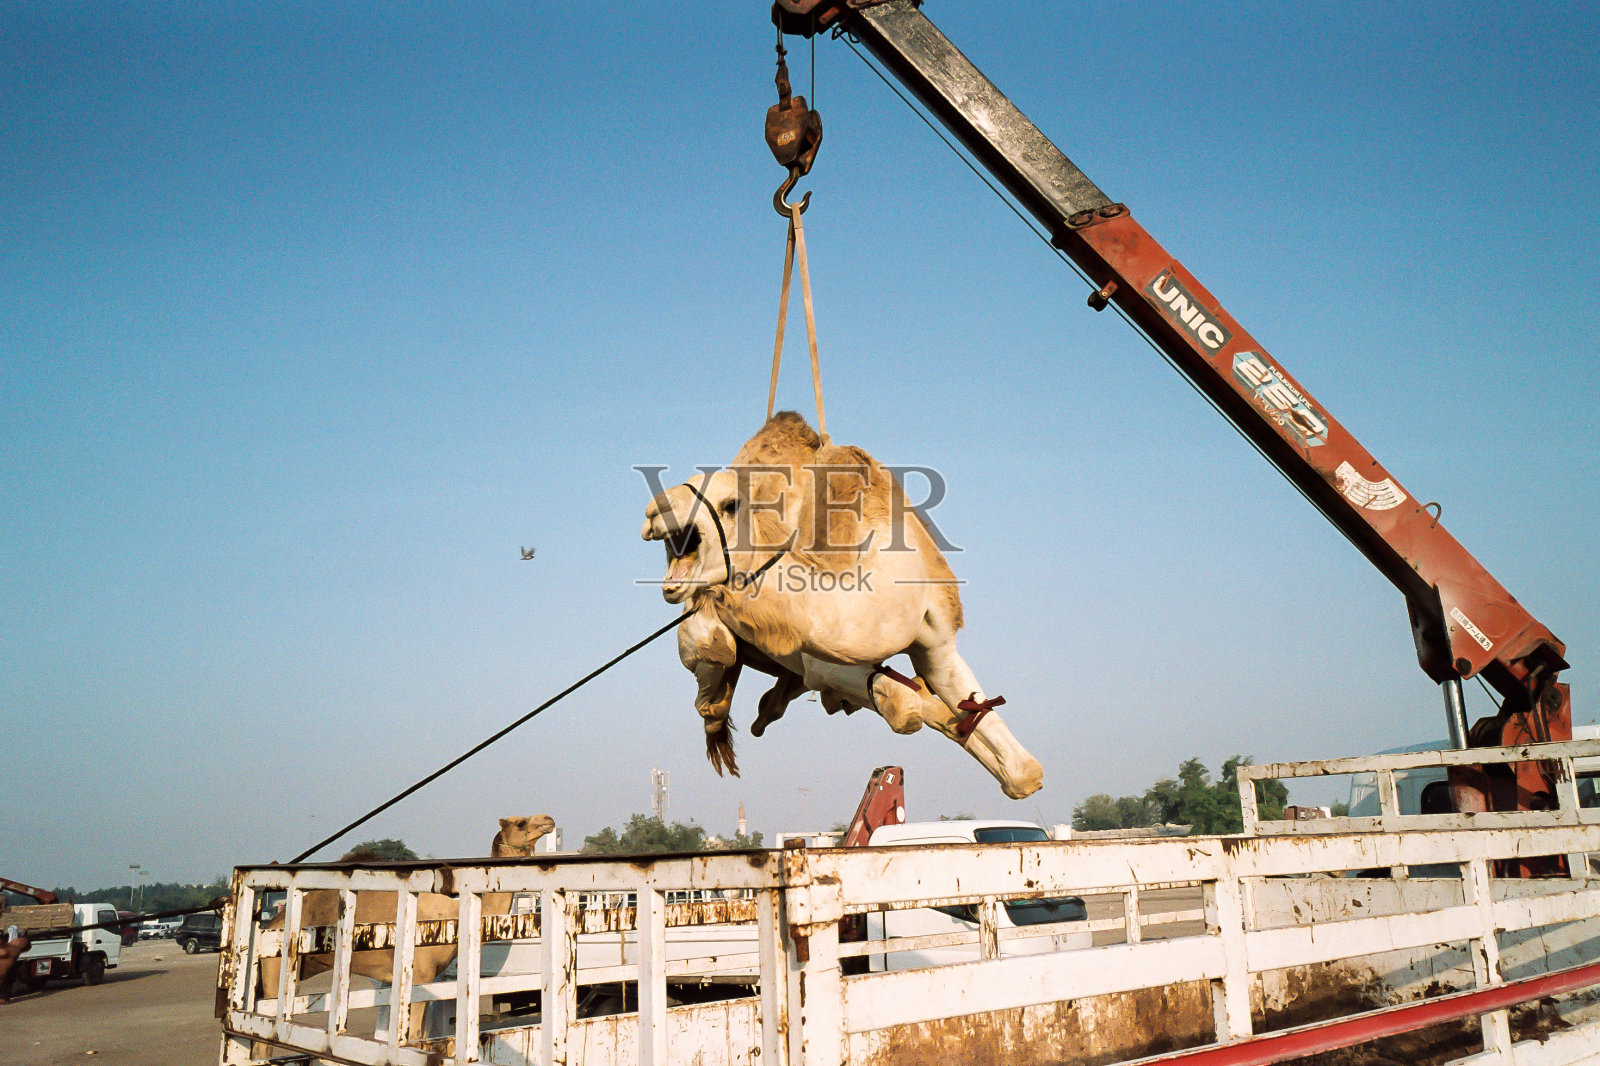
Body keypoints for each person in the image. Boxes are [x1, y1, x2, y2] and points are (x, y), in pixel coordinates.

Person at [0, 924, 34, 1003]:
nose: (18, 939)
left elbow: (3, 952)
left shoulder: (12, 950)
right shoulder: (12, 947)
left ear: (20, 945)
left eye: (20, 940)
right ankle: (3, 998)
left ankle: (3, 998)